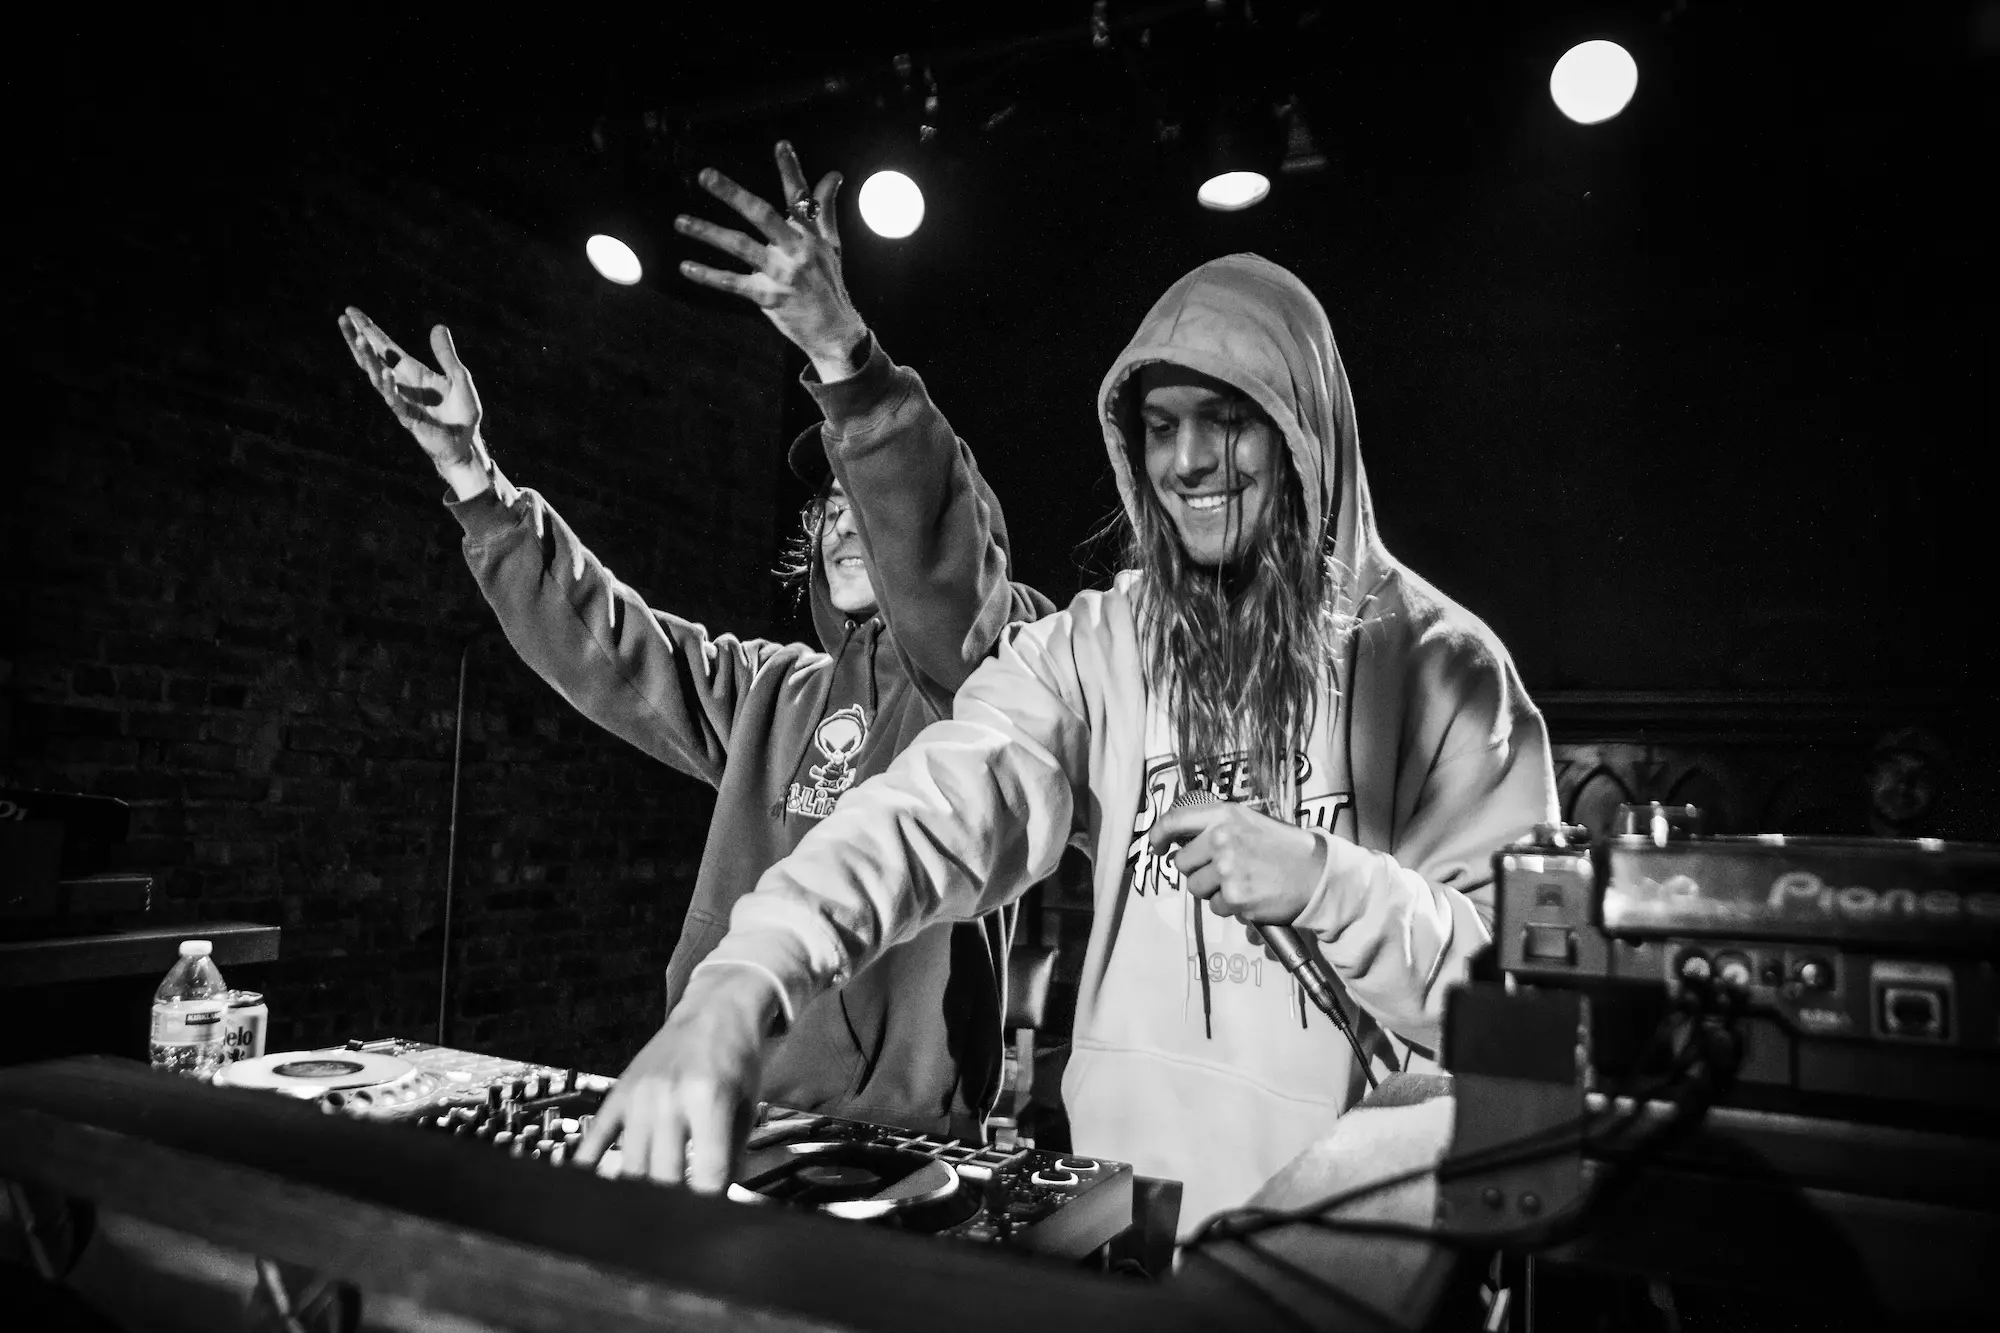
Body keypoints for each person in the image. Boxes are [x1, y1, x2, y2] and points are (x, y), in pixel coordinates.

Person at [578, 253, 1559, 1232]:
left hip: (1350, 1242)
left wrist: (1326, 883)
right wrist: (744, 979)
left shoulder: (1445, 666)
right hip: (1126, 1226)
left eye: (1227, 419)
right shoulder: (1093, 649)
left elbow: (1526, 1016)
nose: (1189, 459)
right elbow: (932, 809)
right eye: (1161, 427)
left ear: (1302, 428)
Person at [338, 142, 1054, 1148]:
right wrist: (474, 480)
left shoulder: (988, 679)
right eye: (825, 506)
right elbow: (611, 644)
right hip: (725, 1103)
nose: (841, 521)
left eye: (864, 498)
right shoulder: (775, 688)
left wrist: (843, 358)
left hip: (891, 1141)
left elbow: (950, 586)